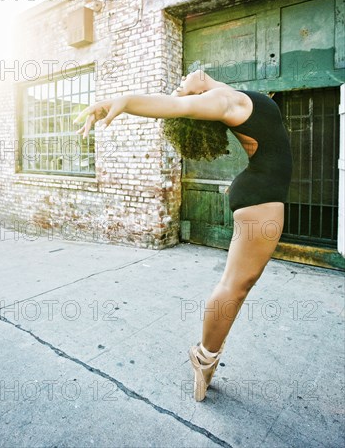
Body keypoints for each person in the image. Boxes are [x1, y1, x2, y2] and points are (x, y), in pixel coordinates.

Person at [73, 69, 293, 402]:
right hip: (261, 199)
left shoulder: (227, 94)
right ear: (196, 101)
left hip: (260, 193)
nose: (184, 80)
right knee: (236, 286)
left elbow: (192, 98)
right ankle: (204, 356)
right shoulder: (223, 101)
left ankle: (206, 355)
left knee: (239, 284)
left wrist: (193, 91)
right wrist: (124, 102)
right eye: (180, 89)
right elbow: (174, 107)